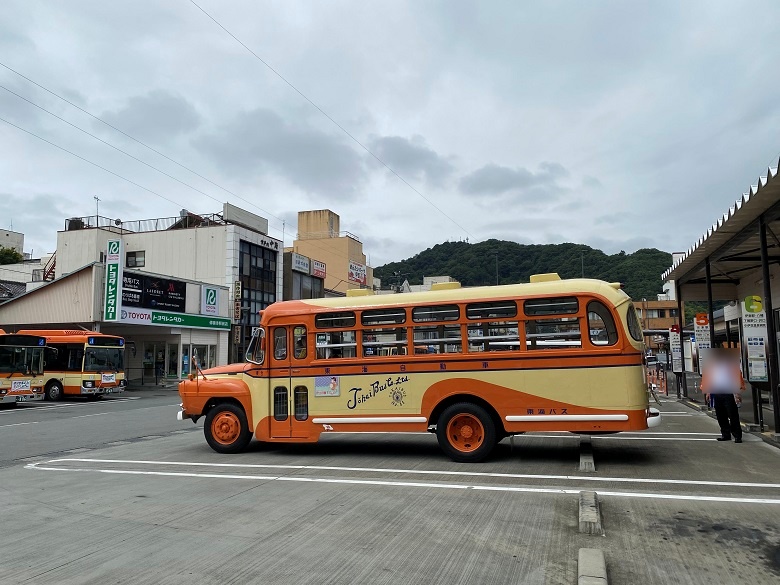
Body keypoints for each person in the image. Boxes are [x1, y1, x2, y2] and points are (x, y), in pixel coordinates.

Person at [701, 348, 745, 443]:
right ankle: (725, 434)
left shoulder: (731, 366)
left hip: (729, 392)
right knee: (721, 415)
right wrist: (708, 392)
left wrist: (737, 393)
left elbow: (737, 378)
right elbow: (709, 379)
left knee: (732, 414)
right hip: (717, 392)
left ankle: (737, 435)